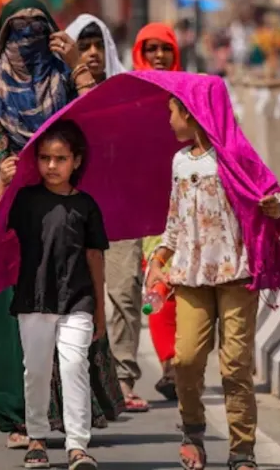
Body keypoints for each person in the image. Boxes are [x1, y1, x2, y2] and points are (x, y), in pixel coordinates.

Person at [0, 0, 119, 449]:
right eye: (17, 30)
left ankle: (70, 416)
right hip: (1, 207)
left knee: (69, 306)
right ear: (2, 36)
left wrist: (77, 65)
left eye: (37, 29)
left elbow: (99, 126)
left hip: (62, 214)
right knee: (7, 315)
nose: (27, 39)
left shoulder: (64, 80)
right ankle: (18, 417)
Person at [146, 81, 280, 470]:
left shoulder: (236, 156)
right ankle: (193, 432)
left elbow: (275, 196)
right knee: (187, 359)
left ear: (190, 113)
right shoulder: (179, 162)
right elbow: (175, 220)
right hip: (190, 276)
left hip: (235, 273)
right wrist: (159, 257)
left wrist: (275, 208)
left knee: (235, 364)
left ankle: (242, 450)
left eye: (172, 112)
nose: (169, 120)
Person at [7, 120, 106, 470]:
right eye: (45, 158)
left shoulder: (87, 206)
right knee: (35, 370)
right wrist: (2, 184)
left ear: (76, 161)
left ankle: (77, 445)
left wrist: (100, 310)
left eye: (61, 158)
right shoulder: (23, 199)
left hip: (78, 299)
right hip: (33, 299)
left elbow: (95, 257)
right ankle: (36, 437)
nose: (51, 165)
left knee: (74, 366)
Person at [131, 22, 182, 403]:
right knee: (158, 284)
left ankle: (183, 362)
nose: (158, 56)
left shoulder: (190, 91)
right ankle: (170, 366)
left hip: (190, 203)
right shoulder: (129, 93)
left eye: (164, 48)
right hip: (148, 207)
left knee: (187, 288)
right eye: (151, 49)